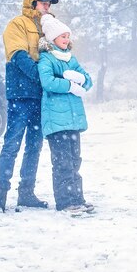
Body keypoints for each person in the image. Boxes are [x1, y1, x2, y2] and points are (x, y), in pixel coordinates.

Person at [0, 0, 59, 212]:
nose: (47, 7)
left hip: (41, 96)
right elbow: (18, 55)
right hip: (21, 94)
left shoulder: (49, 28)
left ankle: (26, 193)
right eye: (43, 3)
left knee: (34, 146)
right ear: (32, 3)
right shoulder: (16, 25)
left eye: (49, 3)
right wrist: (42, 76)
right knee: (12, 143)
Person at [38, 13, 94, 214]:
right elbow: (48, 82)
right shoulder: (46, 59)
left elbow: (88, 80)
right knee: (62, 163)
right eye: (63, 37)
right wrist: (69, 84)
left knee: (74, 161)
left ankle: (78, 198)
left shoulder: (71, 59)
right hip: (56, 121)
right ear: (53, 39)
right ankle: (64, 202)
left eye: (67, 36)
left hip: (72, 121)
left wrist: (81, 79)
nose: (66, 40)